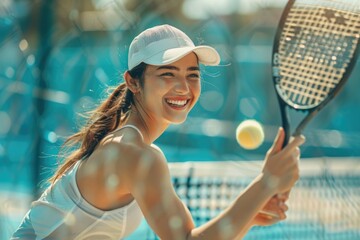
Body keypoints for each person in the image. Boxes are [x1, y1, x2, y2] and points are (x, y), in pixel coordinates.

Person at [12, 24, 305, 240]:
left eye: (192, 75)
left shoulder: (133, 147)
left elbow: (192, 235)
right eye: (167, 74)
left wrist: (249, 215)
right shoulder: (134, 154)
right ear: (133, 82)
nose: (183, 87)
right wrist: (266, 182)